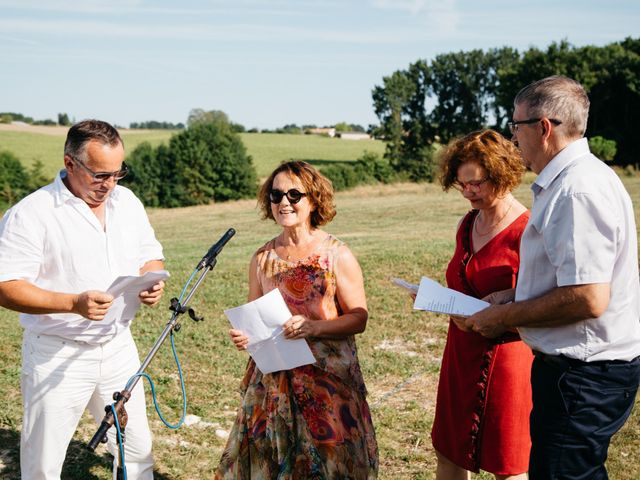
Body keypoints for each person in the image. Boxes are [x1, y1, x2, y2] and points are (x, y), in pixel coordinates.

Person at [466, 76, 640, 479]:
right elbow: (571, 280)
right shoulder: (576, 179)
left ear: (544, 128)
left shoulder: (577, 190)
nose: (512, 140)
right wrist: (513, 296)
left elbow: (588, 297)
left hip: (582, 374)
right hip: (582, 371)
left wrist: (504, 318)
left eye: (516, 127)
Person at [0, 120, 166, 480]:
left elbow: (150, 255)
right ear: (70, 163)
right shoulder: (31, 213)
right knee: (44, 460)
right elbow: (6, 286)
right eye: (99, 175)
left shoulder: (128, 203)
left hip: (119, 346)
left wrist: (152, 280)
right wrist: (72, 304)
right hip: (58, 351)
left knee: (136, 450)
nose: (109, 184)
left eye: (118, 173)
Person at [216, 161, 378, 479]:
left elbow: (359, 318)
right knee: (270, 462)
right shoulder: (262, 258)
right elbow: (253, 316)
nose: (284, 202)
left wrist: (314, 327)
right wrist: (244, 337)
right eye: (276, 195)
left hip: (327, 383)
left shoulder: (337, 255)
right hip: (272, 384)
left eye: (294, 194)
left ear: (313, 199)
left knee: (330, 466)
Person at [430, 129, 532, 480]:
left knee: (509, 465)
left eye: (477, 183)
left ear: (502, 174)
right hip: (460, 351)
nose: (469, 192)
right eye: (462, 184)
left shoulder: (527, 230)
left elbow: (541, 299)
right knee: (449, 452)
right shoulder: (467, 223)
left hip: (508, 359)